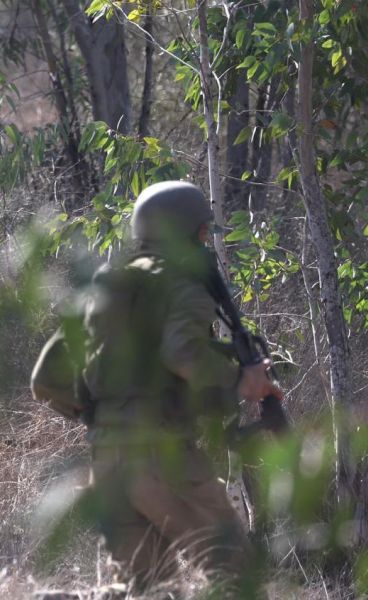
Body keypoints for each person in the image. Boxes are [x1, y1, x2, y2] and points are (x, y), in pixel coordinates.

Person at [72, 181, 283, 592]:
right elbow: (182, 354)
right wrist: (242, 380)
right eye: (203, 232)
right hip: (160, 459)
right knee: (239, 574)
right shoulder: (182, 284)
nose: (206, 241)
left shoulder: (111, 287)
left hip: (105, 460)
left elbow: (49, 380)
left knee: (149, 587)